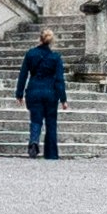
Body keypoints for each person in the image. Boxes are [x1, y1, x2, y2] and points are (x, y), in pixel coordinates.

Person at [16, 27, 68, 160]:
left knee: (36, 119)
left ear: (40, 39)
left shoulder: (31, 54)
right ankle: (51, 153)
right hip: (50, 92)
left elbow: (23, 74)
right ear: (51, 42)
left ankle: (34, 141)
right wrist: (63, 99)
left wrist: (19, 93)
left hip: (34, 91)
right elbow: (59, 80)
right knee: (51, 122)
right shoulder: (56, 57)